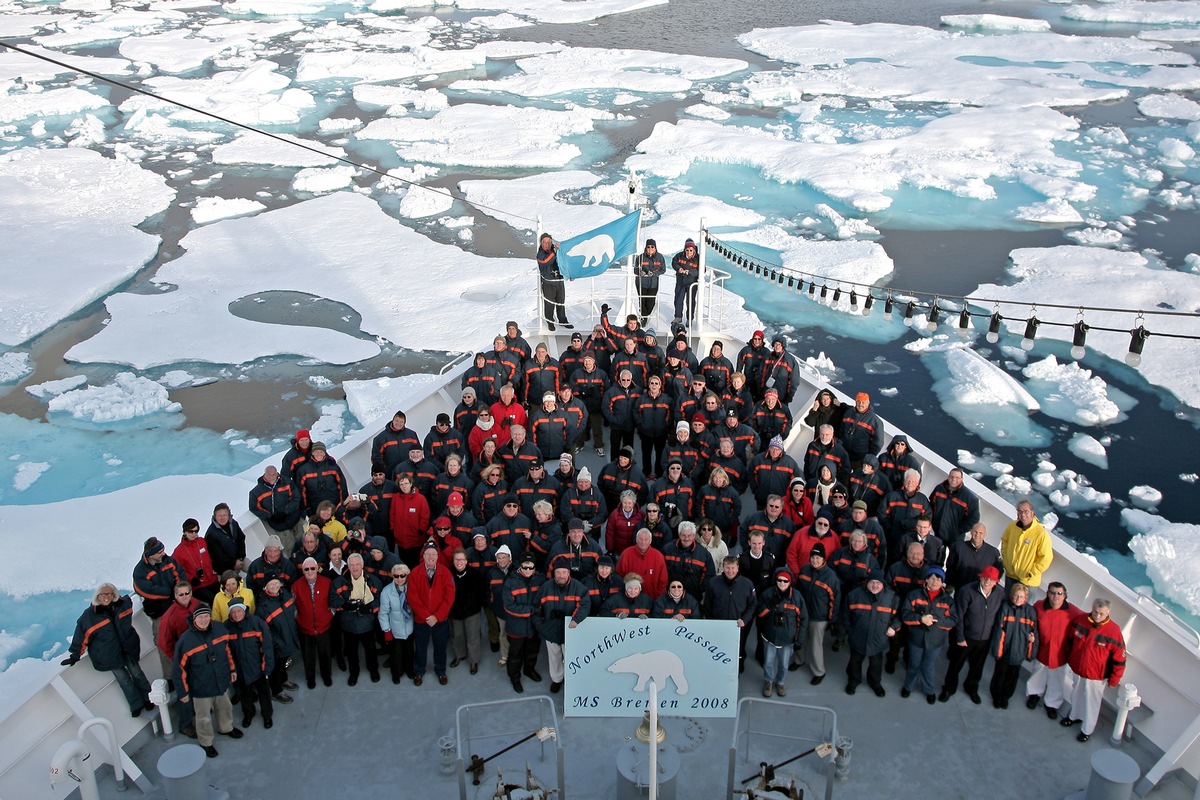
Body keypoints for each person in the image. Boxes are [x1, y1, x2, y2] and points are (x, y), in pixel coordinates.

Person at [62, 583, 155, 718]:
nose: (106, 597)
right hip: (109, 655)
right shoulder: (89, 616)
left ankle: (149, 699)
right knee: (124, 680)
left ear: (114, 595)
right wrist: (75, 655)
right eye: (103, 594)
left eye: (109, 593)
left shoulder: (122, 605)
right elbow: (81, 635)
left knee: (137, 674)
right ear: (97, 596)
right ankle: (136, 705)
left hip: (127, 648)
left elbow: (137, 595)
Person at [173, 605, 242, 758]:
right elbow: (179, 669)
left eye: (206, 616)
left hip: (221, 681)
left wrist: (232, 670)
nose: (204, 620)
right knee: (203, 717)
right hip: (201, 687)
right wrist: (183, 692)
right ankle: (206, 742)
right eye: (200, 617)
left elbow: (227, 652)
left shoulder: (219, 629)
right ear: (194, 619)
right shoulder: (186, 641)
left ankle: (226, 728)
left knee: (225, 707)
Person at [1060, 599, 1126, 742]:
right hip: (1078, 669)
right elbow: (1069, 641)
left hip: (1096, 676)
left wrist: (1115, 679)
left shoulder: (1114, 631)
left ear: (1108, 613)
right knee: (1076, 694)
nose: (1097, 615)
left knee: (1092, 703)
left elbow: (1120, 659)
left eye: (1101, 613)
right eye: (1095, 611)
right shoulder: (1081, 621)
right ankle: (1074, 716)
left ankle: (1087, 730)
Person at [940, 566, 1004, 704]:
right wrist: (960, 637)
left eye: (991, 580)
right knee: (955, 665)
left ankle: (971, 688)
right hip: (966, 636)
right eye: (985, 578)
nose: (988, 582)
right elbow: (959, 615)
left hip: (985, 639)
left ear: (996, 582)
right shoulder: (967, 591)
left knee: (977, 667)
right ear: (980, 577)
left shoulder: (1000, 594)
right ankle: (948, 689)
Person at [901, 566, 956, 704]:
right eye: (932, 578)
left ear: (942, 582)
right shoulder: (914, 595)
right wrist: (920, 619)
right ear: (926, 580)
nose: (935, 582)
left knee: (928, 666)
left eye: (938, 579)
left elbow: (953, 620)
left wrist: (937, 621)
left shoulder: (948, 601)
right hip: (916, 638)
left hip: (935, 640)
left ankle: (929, 689)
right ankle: (908, 686)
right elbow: (905, 615)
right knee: (913, 664)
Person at [1025, 581, 1080, 719]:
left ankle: (1052, 704)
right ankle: (1034, 694)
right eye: (1053, 592)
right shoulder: (1039, 606)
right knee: (1038, 673)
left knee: (1057, 679)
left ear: (1064, 596)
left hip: (1060, 653)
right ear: (1048, 594)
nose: (1056, 596)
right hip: (1042, 649)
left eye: (1059, 593)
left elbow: (1086, 620)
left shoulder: (1072, 611)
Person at [133, 537, 183, 677]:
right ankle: (171, 677)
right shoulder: (140, 571)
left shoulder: (168, 561)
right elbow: (146, 590)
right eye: (160, 551)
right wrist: (170, 593)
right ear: (150, 554)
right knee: (164, 642)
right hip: (159, 611)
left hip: (177, 604)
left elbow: (180, 575)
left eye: (163, 550)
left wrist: (179, 592)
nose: (163, 553)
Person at [844, 570, 898, 697]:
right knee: (855, 661)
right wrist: (849, 631)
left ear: (883, 584)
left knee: (876, 663)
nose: (875, 585)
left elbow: (898, 617)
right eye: (872, 582)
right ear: (867, 583)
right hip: (858, 638)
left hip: (878, 640)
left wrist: (894, 627)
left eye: (878, 583)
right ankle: (853, 680)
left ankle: (875, 683)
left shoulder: (892, 598)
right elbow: (845, 616)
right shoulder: (854, 595)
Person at [408, 542, 454, 686]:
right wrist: (427, 616)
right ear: (423, 556)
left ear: (437, 556)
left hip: (440, 620)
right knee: (420, 647)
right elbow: (412, 598)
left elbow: (450, 596)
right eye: (428, 554)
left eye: (434, 554)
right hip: (422, 620)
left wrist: (438, 616)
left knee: (440, 647)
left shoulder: (445, 573)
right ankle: (419, 671)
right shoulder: (415, 573)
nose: (431, 557)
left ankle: (441, 671)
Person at [330, 553, 381, 685]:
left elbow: (380, 600)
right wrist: (345, 605)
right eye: (351, 565)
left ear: (362, 565)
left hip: (367, 623)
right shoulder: (339, 582)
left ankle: (373, 670)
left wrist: (369, 608)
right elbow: (333, 599)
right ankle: (354, 673)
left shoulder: (373, 581)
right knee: (352, 652)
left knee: (371, 649)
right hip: (349, 624)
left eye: (357, 564)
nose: (355, 567)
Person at [537, 564, 589, 692]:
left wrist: (576, 620)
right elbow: (537, 608)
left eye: (564, 572)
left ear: (568, 573)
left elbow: (585, 605)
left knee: (571, 656)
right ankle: (557, 679)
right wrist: (541, 626)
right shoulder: (546, 587)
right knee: (554, 657)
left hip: (570, 630)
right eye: (558, 572)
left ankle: (571, 679)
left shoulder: (579, 588)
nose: (561, 575)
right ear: (554, 573)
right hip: (550, 630)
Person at [224, 598, 275, 729]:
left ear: (244, 610)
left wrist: (267, 669)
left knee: (264, 694)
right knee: (245, 695)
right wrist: (232, 670)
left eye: (238, 610)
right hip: (240, 671)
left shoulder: (257, 623)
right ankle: (248, 714)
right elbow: (226, 651)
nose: (236, 614)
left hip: (258, 668)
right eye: (233, 612)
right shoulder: (226, 627)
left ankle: (267, 715)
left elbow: (267, 647)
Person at [756, 568, 806, 697]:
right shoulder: (767, 594)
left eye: (785, 581)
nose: (782, 583)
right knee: (768, 663)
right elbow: (760, 614)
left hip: (787, 640)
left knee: (784, 665)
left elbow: (803, 619)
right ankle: (768, 682)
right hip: (770, 637)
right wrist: (769, 605)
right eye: (779, 580)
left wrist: (799, 640)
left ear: (790, 582)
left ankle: (780, 682)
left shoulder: (797, 597)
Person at [703, 556, 757, 673]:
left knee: (739, 649)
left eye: (733, 568)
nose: (730, 571)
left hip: (738, 626)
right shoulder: (713, 583)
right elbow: (707, 605)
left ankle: (738, 667)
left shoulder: (747, 584)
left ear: (738, 568)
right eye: (728, 568)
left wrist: (744, 620)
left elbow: (752, 605)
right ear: (723, 567)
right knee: (718, 648)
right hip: (719, 625)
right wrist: (712, 622)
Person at [795, 545, 840, 685]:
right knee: (800, 639)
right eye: (813, 558)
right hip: (803, 613)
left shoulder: (831, 577)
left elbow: (835, 600)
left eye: (818, 558)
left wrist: (832, 620)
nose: (815, 560)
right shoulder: (804, 570)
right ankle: (798, 660)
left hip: (819, 617)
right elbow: (797, 591)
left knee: (816, 645)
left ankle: (819, 671)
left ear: (823, 559)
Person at [989, 583, 1039, 709]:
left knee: (1012, 677)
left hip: (1019, 652)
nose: (1018, 599)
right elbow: (999, 631)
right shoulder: (1005, 608)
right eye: (1016, 595)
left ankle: (1005, 697)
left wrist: (1030, 647)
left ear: (1026, 598)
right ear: (1011, 596)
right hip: (1005, 650)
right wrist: (998, 652)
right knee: (999, 674)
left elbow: (1033, 632)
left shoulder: (1030, 611)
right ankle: (996, 696)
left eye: (1021, 596)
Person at [504, 554, 545, 693]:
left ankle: (529, 670)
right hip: (517, 627)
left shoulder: (541, 580)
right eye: (524, 567)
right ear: (519, 566)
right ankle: (515, 677)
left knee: (532, 651)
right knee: (515, 654)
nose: (527, 570)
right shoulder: (510, 582)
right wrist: (531, 611)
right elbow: (509, 606)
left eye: (531, 567)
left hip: (534, 626)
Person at [256, 578, 299, 704]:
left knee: (283, 663)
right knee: (276, 667)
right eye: (271, 583)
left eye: (276, 582)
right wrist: (275, 642)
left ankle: (283, 680)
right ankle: (276, 691)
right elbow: (265, 630)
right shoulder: (263, 606)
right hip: (277, 643)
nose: (275, 586)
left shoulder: (285, 594)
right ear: (265, 588)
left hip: (289, 637)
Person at [292, 557, 334, 689]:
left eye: (312, 568)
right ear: (303, 571)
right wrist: (299, 619)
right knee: (308, 657)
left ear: (317, 569)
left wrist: (329, 615)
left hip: (324, 628)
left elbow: (333, 602)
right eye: (306, 569)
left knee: (325, 655)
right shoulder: (296, 586)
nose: (310, 571)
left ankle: (326, 676)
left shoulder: (327, 583)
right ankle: (310, 678)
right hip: (305, 630)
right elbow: (293, 607)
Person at [1001, 499, 1054, 591]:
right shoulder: (1013, 526)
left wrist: (1031, 573)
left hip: (1027, 581)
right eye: (1020, 511)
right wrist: (1006, 560)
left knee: (1024, 605)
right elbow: (1005, 541)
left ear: (1032, 513)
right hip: (1010, 575)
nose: (1023, 514)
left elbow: (1046, 558)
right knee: (1008, 603)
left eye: (1026, 511)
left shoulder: (1041, 533)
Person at [247, 466, 303, 551]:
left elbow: (296, 498)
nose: (271, 477)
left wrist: (286, 512)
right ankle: (293, 562)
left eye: (273, 474)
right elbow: (254, 508)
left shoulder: (287, 482)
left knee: (303, 541)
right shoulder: (256, 492)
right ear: (264, 475)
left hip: (294, 517)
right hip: (278, 524)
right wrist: (270, 516)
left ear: (277, 474)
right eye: (269, 475)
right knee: (290, 547)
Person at [448, 548, 485, 674]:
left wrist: (472, 607)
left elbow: (480, 594)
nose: (459, 562)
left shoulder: (475, 574)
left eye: (462, 559)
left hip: (472, 611)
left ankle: (474, 661)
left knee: (472, 636)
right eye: (456, 559)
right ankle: (460, 655)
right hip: (455, 611)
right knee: (457, 635)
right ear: (453, 561)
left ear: (466, 561)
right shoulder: (448, 574)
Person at [379, 563, 415, 684]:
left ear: (407, 575)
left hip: (409, 626)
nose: (399, 579)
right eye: (396, 576)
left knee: (409, 651)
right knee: (396, 653)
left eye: (402, 575)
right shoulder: (387, 591)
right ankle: (396, 674)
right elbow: (383, 613)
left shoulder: (413, 588)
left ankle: (409, 670)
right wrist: (386, 630)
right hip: (395, 628)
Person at [664, 521, 715, 601]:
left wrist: (700, 589)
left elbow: (709, 575)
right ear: (679, 535)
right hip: (670, 596)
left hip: (693, 596)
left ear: (694, 536)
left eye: (689, 535)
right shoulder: (667, 549)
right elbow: (660, 571)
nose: (686, 538)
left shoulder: (703, 554)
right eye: (683, 535)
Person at [929, 468, 981, 546]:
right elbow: (931, 505)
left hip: (956, 537)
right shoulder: (939, 489)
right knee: (936, 555)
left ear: (961, 479)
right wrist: (934, 522)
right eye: (952, 476)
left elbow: (974, 518)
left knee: (954, 557)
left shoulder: (969, 498)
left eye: (957, 478)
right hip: (938, 532)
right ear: (948, 477)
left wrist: (959, 530)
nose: (954, 479)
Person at [295, 442, 348, 518]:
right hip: (315, 509)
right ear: (312, 453)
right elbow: (301, 491)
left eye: (321, 452)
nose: (319, 454)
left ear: (324, 453)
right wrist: (306, 508)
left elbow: (342, 486)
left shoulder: (333, 467)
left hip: (334, 506)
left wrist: (342, 504)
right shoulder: (303, 470)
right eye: (316, 452)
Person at [945, 522, 1003, 590]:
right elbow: (950, 566)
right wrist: (951, 584)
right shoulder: (958, 547)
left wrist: (990, 586)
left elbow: (999, 571)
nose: (977, 535)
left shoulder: (993, 553)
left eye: (981, 533)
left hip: (981, 590)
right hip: (960, 587)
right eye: (975, 532)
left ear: (985, 534)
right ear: (971, 532)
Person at [173, 518, 218, 604]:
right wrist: (192, 579)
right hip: (197, 586)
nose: (194, 534)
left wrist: (215, 566)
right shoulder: (178, 551)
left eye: (196, 531)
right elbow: (178, 570)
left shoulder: (202, 541)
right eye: (191, 531)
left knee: (224, 596)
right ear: (185, 532)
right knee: (214, 600)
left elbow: (211, 556)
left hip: (212, 579)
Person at [616, 528, 668, 599]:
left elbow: (663, 581)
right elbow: (619, 576)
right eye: (640, 539)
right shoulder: (626, 554)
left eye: (646, 539)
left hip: (652, 599)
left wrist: (658, 598)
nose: (643, 542)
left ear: (650, 541)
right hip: (630, 599)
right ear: (636, 540)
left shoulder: (658, 556)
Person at [839, 392, 883, 468]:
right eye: (858, 402)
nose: (860, 404)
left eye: (863, 402)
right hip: (844, 454)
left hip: (860, 458)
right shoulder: (849, 413)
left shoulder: (874, 420)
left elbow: (878, 443)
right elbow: (841, 430)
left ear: (868, 403)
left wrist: (869, 457)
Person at [536, 232, 571, 329]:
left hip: (559, 281)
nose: (547, 244)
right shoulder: (540, 254)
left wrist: (570, 274)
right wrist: (554, 251)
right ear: (541, 243)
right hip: (548, 282)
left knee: (561, 302)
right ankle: (550, 321)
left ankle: (563, 320)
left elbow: (564, 263)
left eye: (549, 242)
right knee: (549, 303)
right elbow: (546, 261)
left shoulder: (556, 252)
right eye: (545, 242)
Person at [205, 503, 246, 578]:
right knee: (235, 582)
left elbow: (241, 539)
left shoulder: (233, 523)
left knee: (253, 568)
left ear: (229, 515)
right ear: (215, 517)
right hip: (224, 567)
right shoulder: (211, 534)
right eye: (219, 516)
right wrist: (233, 563)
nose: (222, 518)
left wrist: (240, 558)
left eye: (224, 515)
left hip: (238, 558)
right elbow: (219, 555)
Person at [634, 238, 666, 323]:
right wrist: (640, 272)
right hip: (641, 283)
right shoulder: (640, 257)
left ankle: (646, 314)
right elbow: (635, 270)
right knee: (642, 301)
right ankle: (644, 318)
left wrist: (654, 274)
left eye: (652, 247)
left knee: (651, 302)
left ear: (655, 248)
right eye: (648, 247)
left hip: (653, 283)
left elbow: (663, 269)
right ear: (645, 248)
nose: (650, 249)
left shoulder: (660, 257)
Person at [671, 238, 699, 324]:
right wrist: (679, 268)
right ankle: (678, 317)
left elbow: (702, 270)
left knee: (690, 302)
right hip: (681, 282)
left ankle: (689, 319)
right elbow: (674, 262)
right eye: (687, 250)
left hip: (692, 283)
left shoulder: (698, 258)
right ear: (684, 249)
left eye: (691, 250)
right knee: (678, 300)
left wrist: (690, 272)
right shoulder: (679, 256)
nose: (689, 252)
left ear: (694, 250)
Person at [736, 331, 770, 400]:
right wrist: (738, 379)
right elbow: (739, 365)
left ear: (762, 340)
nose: (757, 341)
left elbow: (769, 368)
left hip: (760, 382)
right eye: (755, 339)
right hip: (748, 381)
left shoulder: (766, 352)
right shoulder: (746, 350)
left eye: (759, 339)